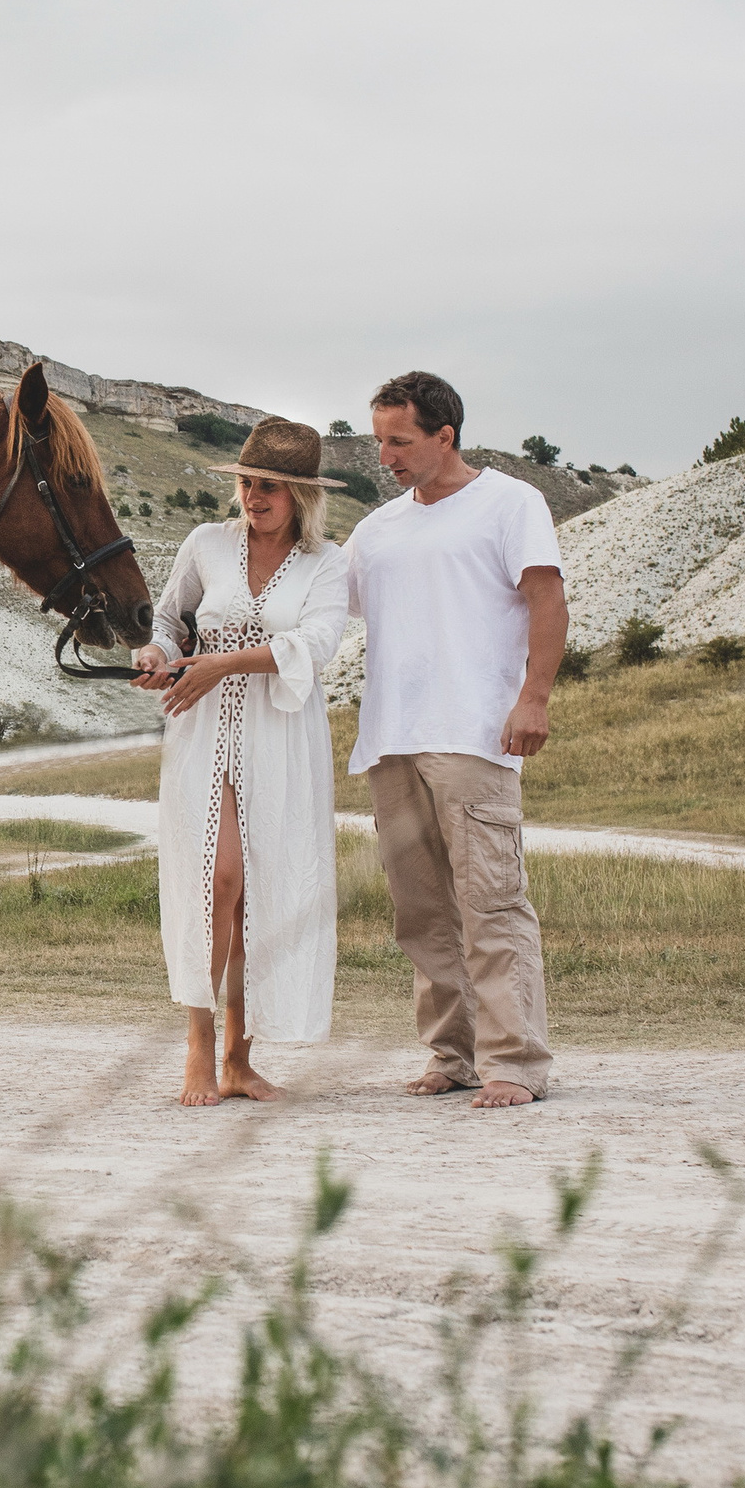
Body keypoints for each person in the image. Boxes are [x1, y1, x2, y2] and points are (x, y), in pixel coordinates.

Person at [344, 371, 566, 1109]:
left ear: (446, 435)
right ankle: (452, 1052)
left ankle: (516, 1063)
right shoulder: (374, 531)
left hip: (474, 734)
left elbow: (546, 599)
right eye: (378, 440)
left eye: (399, 440)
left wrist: (533, 697)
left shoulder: (510, 503)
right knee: (421, 912)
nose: (386, 456)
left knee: (491, 903)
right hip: (390, 739)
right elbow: (315, 606)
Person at [131, 419, 351, 1108]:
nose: (253, 497)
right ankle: (199, 1049)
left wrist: (227, 660)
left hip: (282, 731)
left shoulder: (327, 563)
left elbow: (316, 644)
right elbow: (168, 620)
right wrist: (156, 655)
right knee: (216, 877)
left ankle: (239, 1058)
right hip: (204, 727)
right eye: (247, 483)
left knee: (263, 888)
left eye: (270, 487)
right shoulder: (206, 544)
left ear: (300, 496)